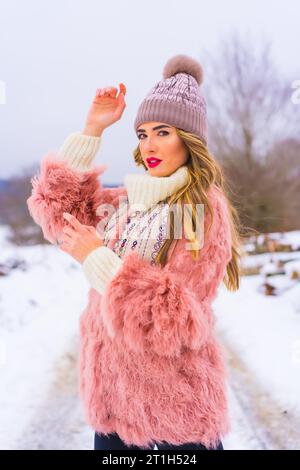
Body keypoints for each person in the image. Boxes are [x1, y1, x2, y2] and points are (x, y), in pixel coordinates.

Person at [27, 54, 242, 451]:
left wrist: (99, 260)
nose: (149, 145)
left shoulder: (201, 207)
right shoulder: (127, 201)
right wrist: (92, 129)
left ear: (189, 139)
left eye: (163, 132)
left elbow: (177, 319)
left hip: (172, 418)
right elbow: (59, 215)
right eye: (142, 134)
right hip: (113, 411)